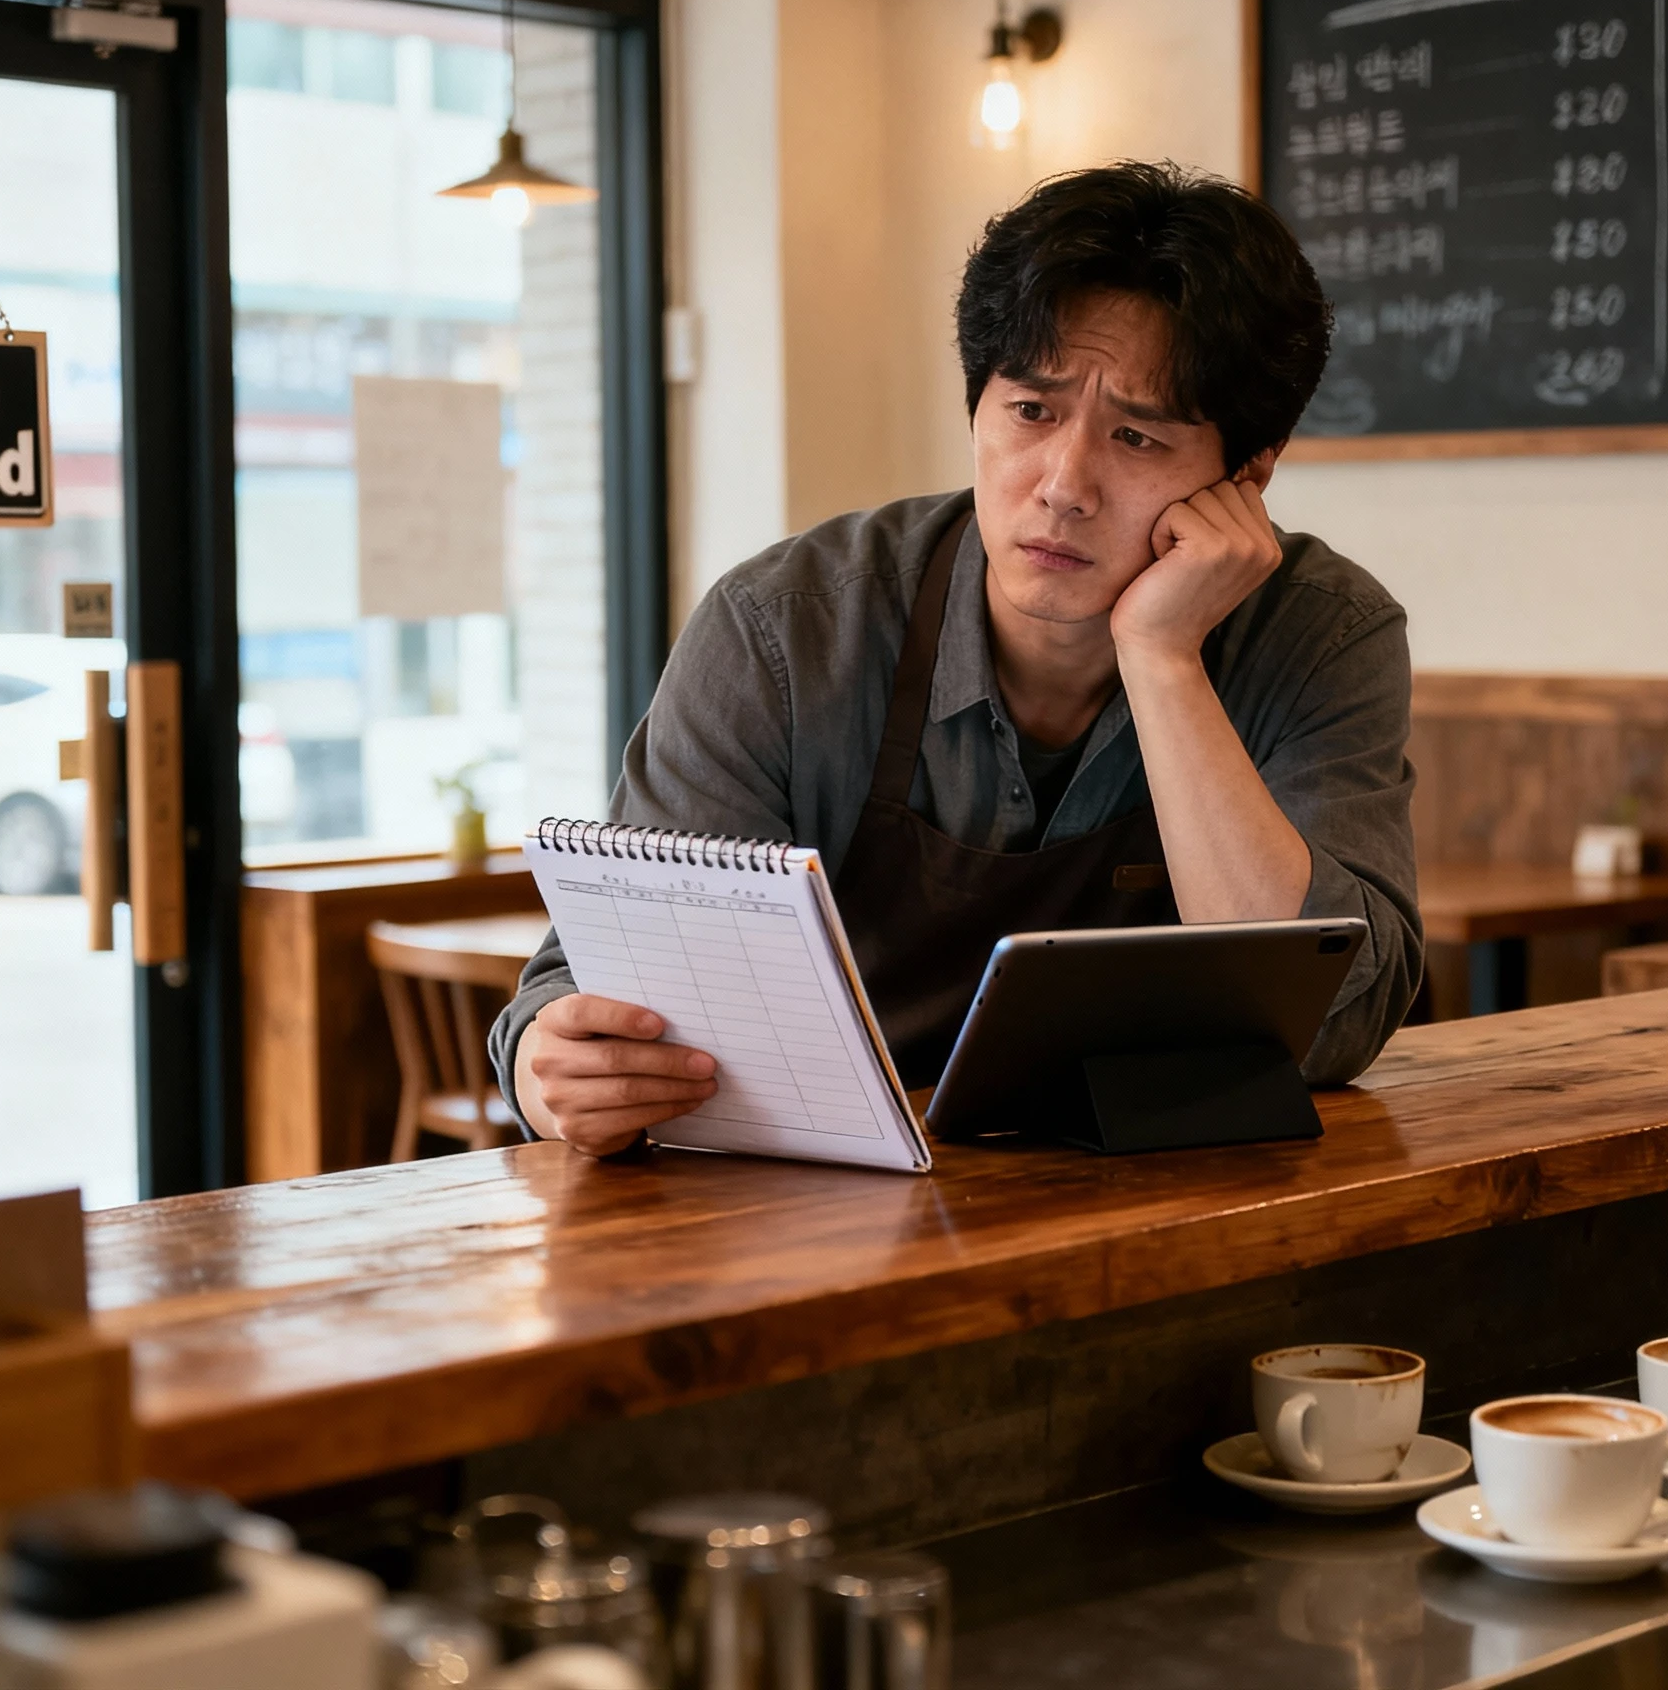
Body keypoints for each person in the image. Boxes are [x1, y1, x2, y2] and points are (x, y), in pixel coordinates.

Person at [490, 160, 1422, 1157]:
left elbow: (1335, 1025)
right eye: (1031, 411)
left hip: (1161, 1192)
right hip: (819, 1202)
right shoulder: (787, 631)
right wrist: (557, 1069)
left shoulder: (1321, 633)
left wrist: (1162, 657)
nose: (1063, 485)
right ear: (977, 407)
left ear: (1250, 470)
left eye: (1138, 437)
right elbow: (594, 988)